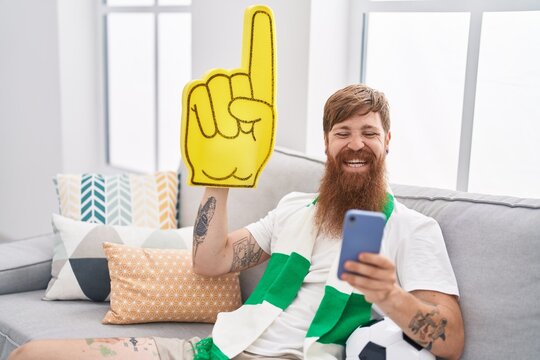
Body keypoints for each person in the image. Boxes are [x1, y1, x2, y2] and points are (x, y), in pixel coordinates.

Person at [9, 84, 464, 360]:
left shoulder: (413, 229)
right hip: (214, 351)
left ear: (388, 141)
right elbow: (212, 262)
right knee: (32, 354)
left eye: (369, 133)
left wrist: (388, 294)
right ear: (327, 144)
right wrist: (216, 181)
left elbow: (449, 342)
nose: (356, 145)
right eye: (343, 133)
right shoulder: (295, 209)